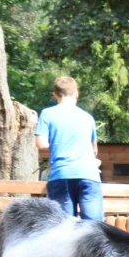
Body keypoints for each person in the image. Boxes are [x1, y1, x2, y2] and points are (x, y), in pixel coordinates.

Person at [35, 76, 103, 220]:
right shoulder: (87, 117)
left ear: (55, 95)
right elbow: (94, 150)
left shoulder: (48, 114)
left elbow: (41, 144)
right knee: (94, 227)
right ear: (76, 94)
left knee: (63, 227)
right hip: (89, 174)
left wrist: (59, 144)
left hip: (62, 174)